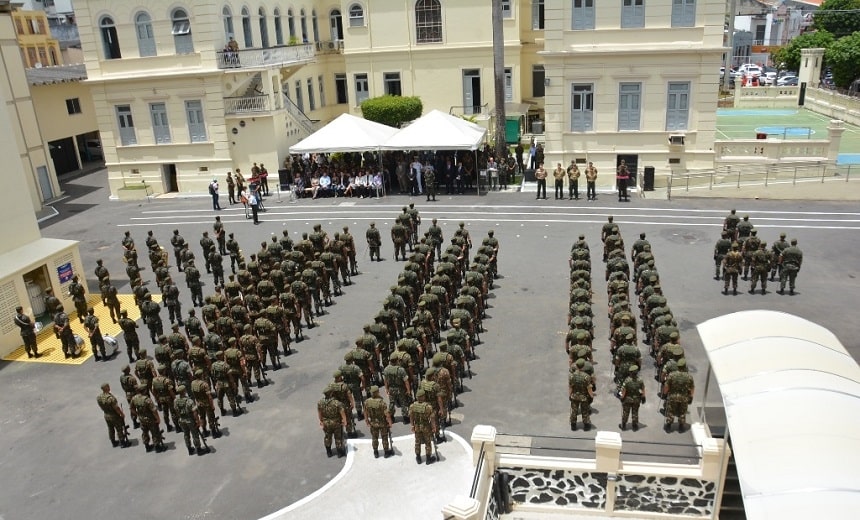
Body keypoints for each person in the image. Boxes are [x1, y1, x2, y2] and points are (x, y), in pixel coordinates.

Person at [174, 385, 209, 456]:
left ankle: (189, 449)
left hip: (182, 420)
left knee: (186, 434)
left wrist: (180, 417)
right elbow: (195, 412)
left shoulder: (176, 400)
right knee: (195, 434)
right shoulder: (189, 401)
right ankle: (199, 449)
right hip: (189, 420)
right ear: (184, 391)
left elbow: (176, 410)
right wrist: (197, 421)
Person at [662, 360, 694, 433]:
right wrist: (691, 397)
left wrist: (664, 393)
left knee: (671, 411)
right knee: (682, 411)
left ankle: (669, 425)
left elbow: (666, 386)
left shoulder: (672, 375)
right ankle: (681, 426)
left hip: (673, 396)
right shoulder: (689, 377)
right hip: (684, 397)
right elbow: (692, 388)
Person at [131, 384, 164, 452]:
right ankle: (157, 446)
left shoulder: (134, 398)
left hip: (141, 419)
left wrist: (137, 414)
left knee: (145, 432)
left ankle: (147, 446)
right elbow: (154, 410)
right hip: (150, 419)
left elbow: (131, 408)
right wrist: (158, 418)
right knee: (154, 432)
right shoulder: (147, 399)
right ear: (144, 390)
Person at [408, 388, 437, 464]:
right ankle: (428, 459)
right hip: (426, 427)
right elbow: (432, 418)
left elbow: (411, 416)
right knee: (428, 442)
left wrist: (412, 426)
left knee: (417, 442)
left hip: (417, 426)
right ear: (423, 396)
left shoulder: (412, 406)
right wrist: (434, 427)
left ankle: (418, 458)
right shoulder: (428, 407)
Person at [97, 383, 130, 448]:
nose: (109, 387)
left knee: (110, 428)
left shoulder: (99, 397)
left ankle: (113, 442)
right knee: (119, 428)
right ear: (106, 388)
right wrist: (121, 414)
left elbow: (101, 407)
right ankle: (123, 442)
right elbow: (116, 408)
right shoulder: (110, 398)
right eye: (108, 386)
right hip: (114, 415)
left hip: (106, 415)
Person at [364, 385, 393, 458]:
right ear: (377, 392)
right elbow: (387, 414)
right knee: (384, 437)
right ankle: (386, 452)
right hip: (382, 423)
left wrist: (367, 421)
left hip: (373, 423)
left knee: (374, 437)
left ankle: (375, 452)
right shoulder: (381, 402)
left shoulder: (367, 402)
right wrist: (390, 423)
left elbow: (365, 412)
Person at [317, 387, 348, 458]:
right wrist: (344, 421)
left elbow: (319, 413)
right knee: (338, 437)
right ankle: (340, 453)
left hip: (326, 423)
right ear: (331, 393)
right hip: (336, 423)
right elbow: (342, 412)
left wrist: (321, 421)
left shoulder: (320, 402)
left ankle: (329, 452)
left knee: (328, 437)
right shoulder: (336, 403)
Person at [568, 359, 594, 431]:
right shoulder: (586, 377)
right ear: (583, 366)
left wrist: (569, 395)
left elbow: (570, 387)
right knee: (585, 411)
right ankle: (586, 425)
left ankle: (573, 425)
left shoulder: (572, 376)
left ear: (576, 365)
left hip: (574, 396)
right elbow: (589, 389)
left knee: (574, 411)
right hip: (584, 397)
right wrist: (591, 396)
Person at [619, 365, 645, 431]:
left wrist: (622, 398)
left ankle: (623, 425)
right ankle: (635, 425)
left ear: (630, 372)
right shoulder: (640, 380)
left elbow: (623, 391)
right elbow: (642, 389)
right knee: (635, 412)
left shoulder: (627, 381)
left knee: (626, 412)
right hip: (637, 399)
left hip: (628, 399)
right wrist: (643, 397)